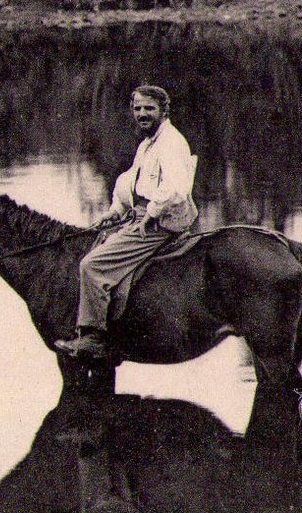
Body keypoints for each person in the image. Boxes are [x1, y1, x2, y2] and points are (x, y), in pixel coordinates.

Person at [57, 85, 198, 359]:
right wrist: (116, 210)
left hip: (161, 221)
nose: (142, 114)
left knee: (92, 265)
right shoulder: (148, 143)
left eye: (149, 108)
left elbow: (178, 187)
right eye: (137, 109)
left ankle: (94, 338)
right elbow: (132, 180)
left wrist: (152, 213)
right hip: (142, 214)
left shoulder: (172, 142)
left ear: (163, 110)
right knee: (96, 243)